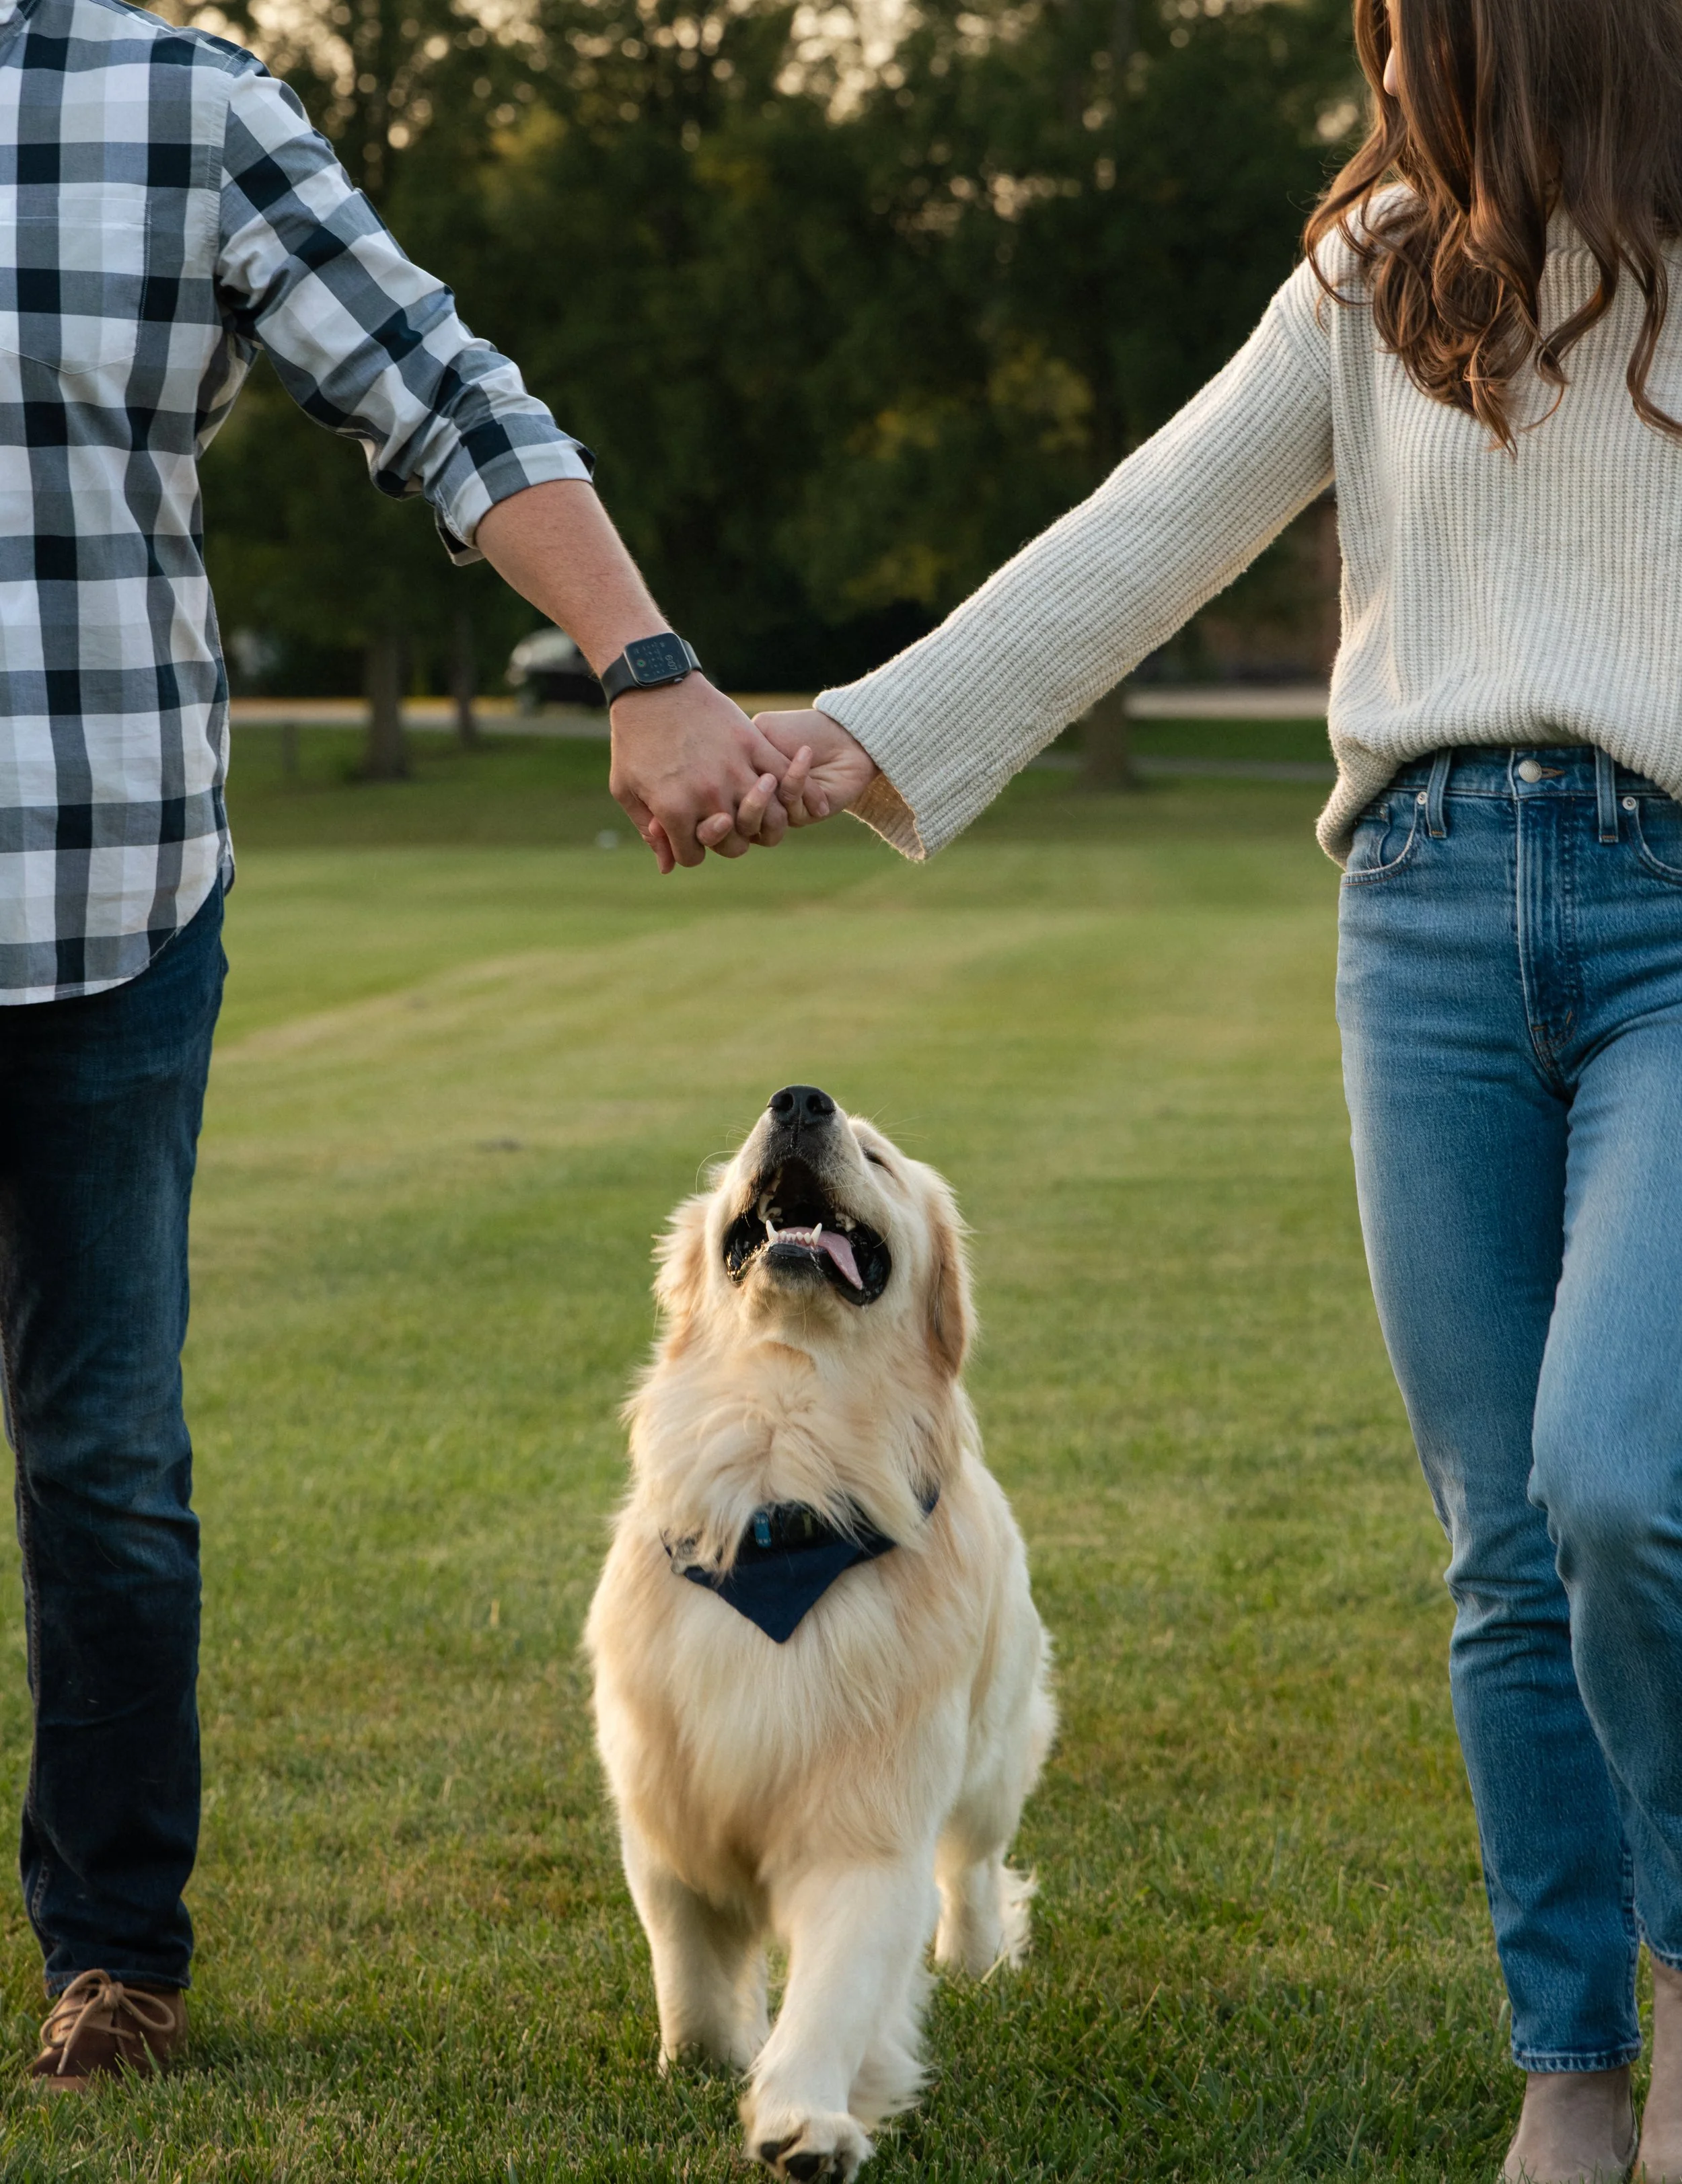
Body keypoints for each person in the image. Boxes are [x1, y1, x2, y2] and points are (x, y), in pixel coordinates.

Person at [716, 0, 1682, 2175]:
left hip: (1671, 915)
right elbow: (1148, 527)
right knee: (1503, 1544)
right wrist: (854, 735)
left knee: (1619, 1477)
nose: (1398, 55)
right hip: (1422, 918)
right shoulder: (1379, 267)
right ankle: (1571, 2057)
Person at [0, 0, 814, 2094]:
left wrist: (641, 662)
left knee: (103, 1457)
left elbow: (441, 392)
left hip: (99, 906)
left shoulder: (168, 101)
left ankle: (115, 1951)